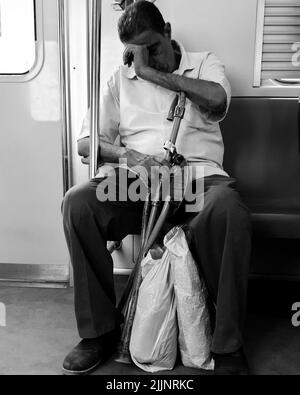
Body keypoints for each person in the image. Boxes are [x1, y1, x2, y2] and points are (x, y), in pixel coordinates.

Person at [62, 1, 252, 375]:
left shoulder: (204, 63)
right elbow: (87, 143)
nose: (147, 58)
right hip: (139, 183)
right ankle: (99, 332)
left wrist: (152, 74)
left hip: (199, 181)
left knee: (229, 210)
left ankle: (227, 346)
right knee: (79, 202)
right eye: (138, 53)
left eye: (154, 47)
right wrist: (128, 156)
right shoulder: (119, 78)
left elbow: (218, 101)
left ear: (167, 29)